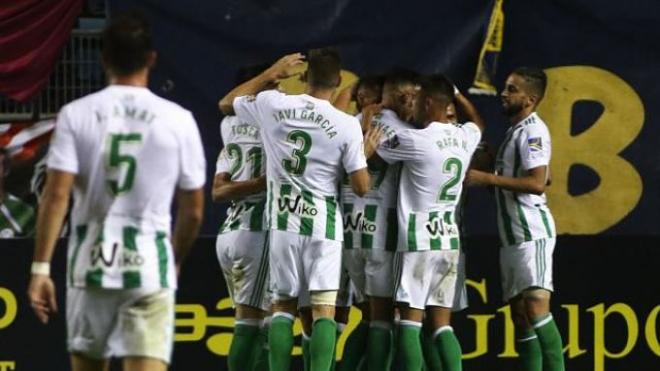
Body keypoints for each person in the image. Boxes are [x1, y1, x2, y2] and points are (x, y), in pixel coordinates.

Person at [27, 12, 206, 371]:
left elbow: (57, 196)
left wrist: (41, 268)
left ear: (104, 58)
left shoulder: (76, 114)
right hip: (149, 264)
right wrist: (172, 260)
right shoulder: (178, 119)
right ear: (152, 59)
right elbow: (193, 211)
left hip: (91, 264)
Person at [219, 48, 381, 371]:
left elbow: (226, 104)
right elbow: (362, 187)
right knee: (323, 311)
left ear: (304, 78)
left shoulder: (273, 105)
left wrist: (270, 73)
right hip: (324, 225)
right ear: (338, 82)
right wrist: (364, 153)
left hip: (283, 222)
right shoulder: (346, 124)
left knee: (282, 309)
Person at [375, 74, 485, 371]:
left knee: (409, 323)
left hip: (417, 240)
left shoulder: (415, 140)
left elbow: (374, 153)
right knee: (441, 325)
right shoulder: (464, 137)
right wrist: (459, 94)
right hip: (449, 240)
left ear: (427, 102)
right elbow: (478, 124)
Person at [467, 67, 564, 371]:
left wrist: (484, 177)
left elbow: (537, 183)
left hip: (531, 232)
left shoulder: (533, 130)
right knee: (520, 315)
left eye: (512, 90)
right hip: (511, 236)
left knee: (536, 307)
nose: (503, 94)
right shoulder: (517, 131)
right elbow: (543, 178)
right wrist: (491, 161)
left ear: (530, 98)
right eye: (506, 88)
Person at [340, 69, 418, 371]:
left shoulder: (345, 125)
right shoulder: (399, 127)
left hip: (349, 231)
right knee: (384, 318)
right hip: (381, 232)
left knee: (368, 315)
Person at [214, 65, 274, 371]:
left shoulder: (228, 130)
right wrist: (263, 184)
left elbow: (218, 191)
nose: (278, 93)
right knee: (255, 323)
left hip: (228, 233)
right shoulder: (273, 124)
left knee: (257, 321)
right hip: (256, 230)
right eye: (273, 85)